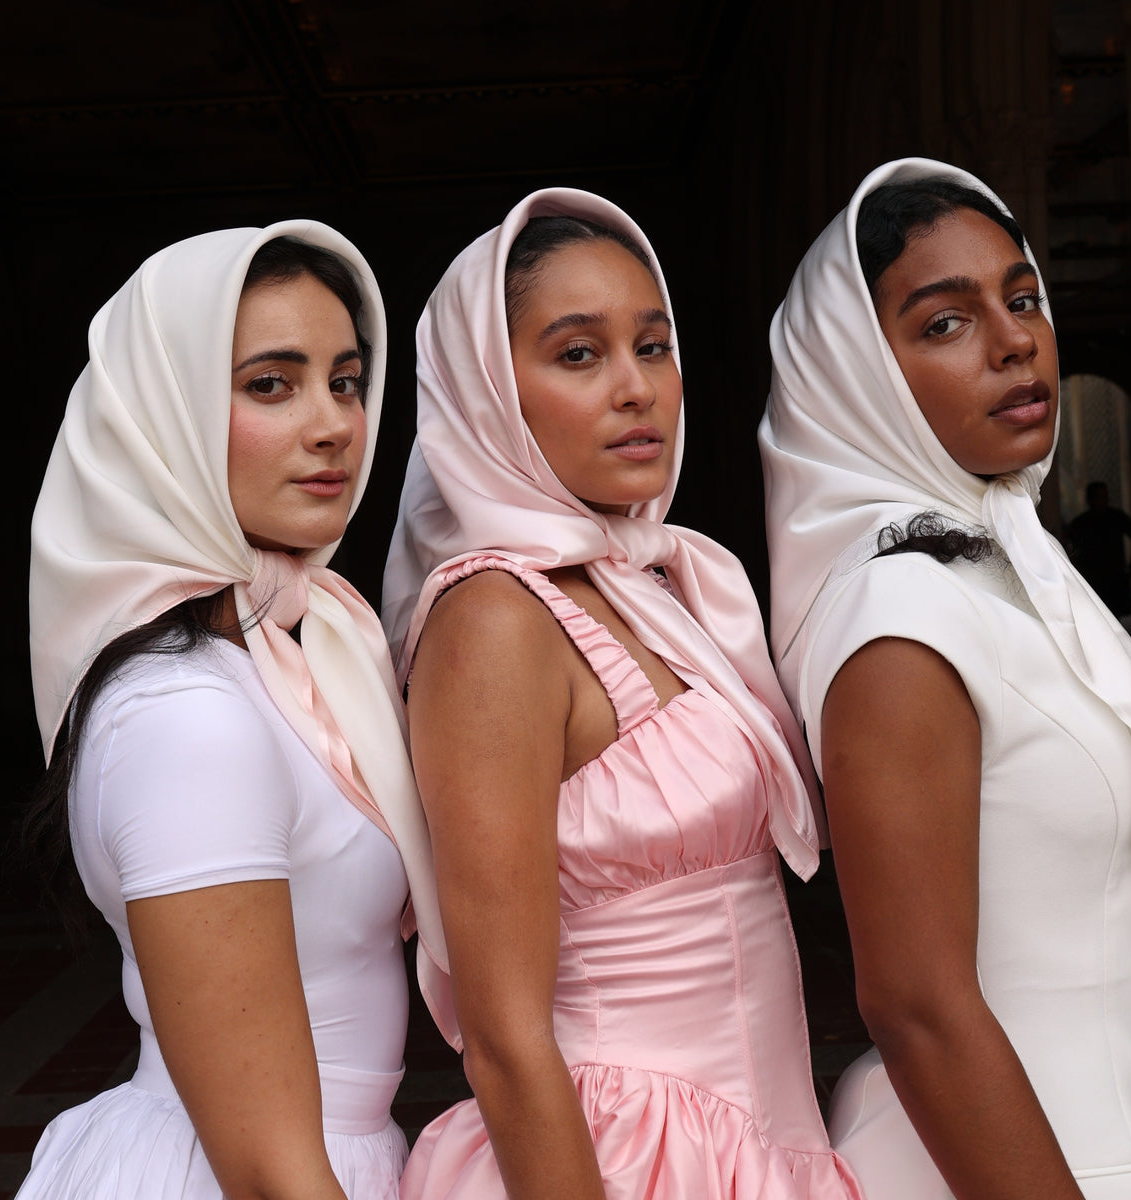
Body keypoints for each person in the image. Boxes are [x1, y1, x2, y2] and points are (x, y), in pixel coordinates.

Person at [381, 188, 862, 1200]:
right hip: (622, 1158)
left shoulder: (663, 590)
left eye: (652, 346)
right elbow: (505, 1037)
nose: (637, 388)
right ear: (486, 392)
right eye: (578, 354)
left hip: (763, 1147)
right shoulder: (495, 620)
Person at [18, 222, 444, 1200]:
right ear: (161, 419)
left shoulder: (301, 654)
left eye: (346, 381)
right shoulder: (186, 713)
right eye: (271, 384)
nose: (335, 424)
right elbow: (264, 1170)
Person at [759, 158, 1131, 1199]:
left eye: (1022, 299)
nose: (1015, 340)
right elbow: (917, 1006)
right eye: (945, 322)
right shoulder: (901, 615)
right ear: (855, 376)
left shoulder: (1018, 572)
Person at [1068, 481, 1131, 616]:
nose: (1103, 501)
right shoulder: (1081, 522)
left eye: (1105, 496)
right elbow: (1071, 547)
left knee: (1115, 616)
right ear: (1090, 499)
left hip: (1115, 577)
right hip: (1092, 578)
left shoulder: (1116, 517)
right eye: (1098, 497)